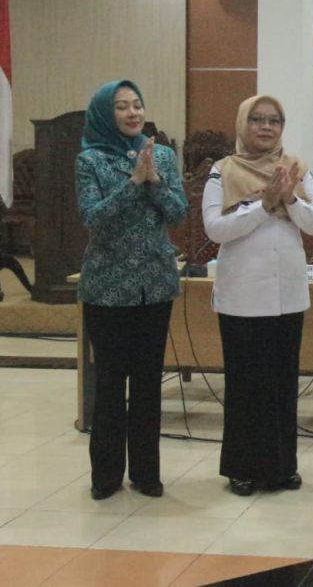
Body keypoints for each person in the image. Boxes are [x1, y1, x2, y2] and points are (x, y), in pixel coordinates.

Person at [202, 95, 313, 497]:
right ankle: (241, 468)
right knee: (246, 387)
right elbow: (215, 228)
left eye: (274, 120)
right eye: (257, 119)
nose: (266, 127)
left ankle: (282, 467)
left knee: (282, 385)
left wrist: (289, 198)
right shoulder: (223, 171)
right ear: (244, 124)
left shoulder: (296, 169)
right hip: (242, 295)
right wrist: (263, 204)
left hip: (287, 295)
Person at [76, 80, 187, 500]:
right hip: (107, 287)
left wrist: (154, 179)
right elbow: (93, 217)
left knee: (147, 384)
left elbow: (178, 212)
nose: (132, 112)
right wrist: (133, 182)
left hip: (154, 286)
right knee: (110, 383)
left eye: (137, 104)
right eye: (121, 106)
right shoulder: (90, 159)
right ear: (106, 114)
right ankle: (105, 477)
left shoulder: (161, 155)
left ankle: (146, 473)